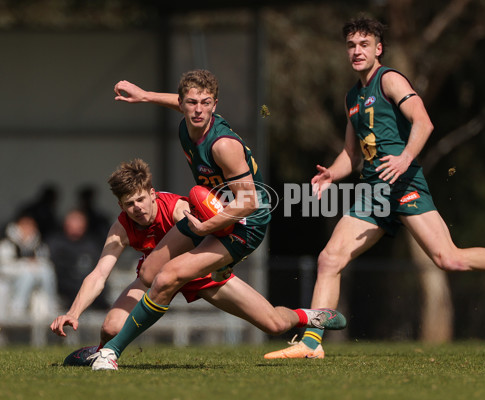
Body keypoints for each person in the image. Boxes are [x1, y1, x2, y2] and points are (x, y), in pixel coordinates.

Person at [263, 16, 485, 359]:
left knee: (449, 259)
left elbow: (424, 121)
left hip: (405, 184)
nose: (356, 51)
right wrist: (331, 174)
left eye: (364, 45)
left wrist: (406, 158)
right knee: (329, 259)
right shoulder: (353, 96)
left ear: (379, 49)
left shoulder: (389, 79)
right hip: (374, 193)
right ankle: (311, 344)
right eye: (351, 45)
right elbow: (351, 154)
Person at [86, 72, 346, 370]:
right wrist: (145, 95)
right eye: (191, 102)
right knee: (149, 273)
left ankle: (111, 353)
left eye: (206, 103)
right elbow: (181, 103)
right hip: (212, 210)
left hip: (245, 224)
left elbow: (249, 202)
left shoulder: (223, 145)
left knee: (166, 278)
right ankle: (309, 315)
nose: (198, 109)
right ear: (183, 104)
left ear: (215, 104)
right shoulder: (186, 125)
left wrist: (206, 228)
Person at [51, 158, 344, 367]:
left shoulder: (179, 210)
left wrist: (222, 264)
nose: (137, 208)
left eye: (141, 199)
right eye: (129, 204)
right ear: (121, 206)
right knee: (112, 326)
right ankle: (103, 356)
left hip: (199, 274)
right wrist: (73, 312)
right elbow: (99, 273)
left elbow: (222, 237)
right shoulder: (121, 226)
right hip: (153, 280)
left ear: (153, 194)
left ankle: (309, 316)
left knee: (275, 324)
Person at [0, 209, 58, 320]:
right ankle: (17, 309)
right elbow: (3, 269)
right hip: (11, 286)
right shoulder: (7, 245)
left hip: (35, 286)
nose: (28, 229)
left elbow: (45, 264)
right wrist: (24, 266)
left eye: (31, 226)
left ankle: (50, 306)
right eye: (24, 225)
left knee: (46, 271)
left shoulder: (39, 246)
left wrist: (35, 267)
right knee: (27, 275)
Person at [47, 209, 109, 310]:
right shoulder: (55, 243)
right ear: (66, 224)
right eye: (74, 221)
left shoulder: (91, 244)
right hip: (65, 288)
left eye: (80, 222)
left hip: (88, 288)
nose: (77, 226)